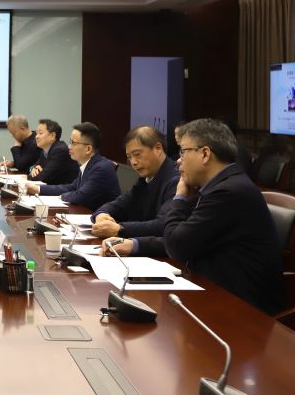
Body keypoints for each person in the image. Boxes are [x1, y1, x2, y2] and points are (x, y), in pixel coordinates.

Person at [164, 118, 285, 314]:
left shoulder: (229, 193)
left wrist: (179, 197)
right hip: (217, 294)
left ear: (205, 154)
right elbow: (182, 235)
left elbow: (177, 246)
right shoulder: (221, 185)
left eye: (183, 151)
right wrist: (136, 244)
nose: (178, 160)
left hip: (244, 311)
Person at [94, 126, 179, 257]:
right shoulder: (145, 179)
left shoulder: (176, 180)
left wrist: (120, 229)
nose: (133, 162)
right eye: (129, 157)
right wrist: (101, 215)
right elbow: (119, 205)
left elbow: (163, 224)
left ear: (158, 148)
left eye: (137, 154)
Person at [26, 122, 120, 210]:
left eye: (73, 143)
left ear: (88, 149)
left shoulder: (101, 168)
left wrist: (60, 197)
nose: (69, 147)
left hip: (102, 219)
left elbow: (80, 195)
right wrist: (38, 189)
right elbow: (71, 187)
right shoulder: (88, 164)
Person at [27, 119, 79, 185]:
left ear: (52, 136)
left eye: (40, 133)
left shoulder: (60, 151)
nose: (36, 136)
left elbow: (43, 177)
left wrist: (28, 176)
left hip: (66, 189)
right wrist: (33, 168)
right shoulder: (45, 150)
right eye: (37, 133)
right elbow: (36, 165)